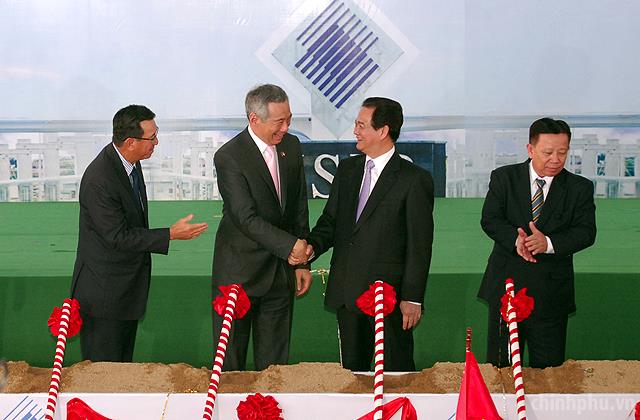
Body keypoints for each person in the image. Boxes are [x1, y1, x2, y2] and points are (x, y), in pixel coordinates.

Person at [302, 97, 434, 371]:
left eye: (361, 125)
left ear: (383, 131)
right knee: (352, 376)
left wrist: (412, 297)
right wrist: (310, 248)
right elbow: (331, 222)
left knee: (396, 376)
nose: (355, 131)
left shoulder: (414, 179)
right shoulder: (348, 170)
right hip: (347, 293)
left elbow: (419, 244)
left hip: (390, 299)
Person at [70, 104, 209, 362]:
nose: (156, 142)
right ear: (131, 142)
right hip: (104, 294)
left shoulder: (130, 163)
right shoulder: (100, 179)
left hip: (125, 290)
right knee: (105, 374)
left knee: (123, 369)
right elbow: (118, 237)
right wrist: (170, 234)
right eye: (152, 137)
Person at [479, 117, 596, 369]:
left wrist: (549, 243)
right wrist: (516, 240)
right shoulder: (504, 178)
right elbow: (490, 219)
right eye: (548, 152)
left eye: (562, 152)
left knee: (549, 374)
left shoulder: (579, 188)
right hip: (506, 289)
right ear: (530, 149)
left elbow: (586, 232)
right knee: (501, 370)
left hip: (551, 295)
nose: (556, 159)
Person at [211, 84, 311, 371]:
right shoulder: (229, 156)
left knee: (275, 369)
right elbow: (245, 217)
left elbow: (298, 206)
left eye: (289, 119)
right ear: (254, 119)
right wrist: (291, 247)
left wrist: (302, 263)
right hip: (239, 276)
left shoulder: (291, 146)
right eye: (279, 121)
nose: (286, 128)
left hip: (280, 274)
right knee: (231, 367)